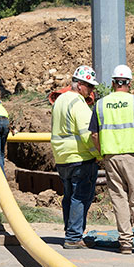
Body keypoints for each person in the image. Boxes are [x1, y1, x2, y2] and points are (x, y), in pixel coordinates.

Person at [91, 64, 134, 255]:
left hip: (112, 157)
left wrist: (103, 153)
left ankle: (125, 243)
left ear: (113, 83)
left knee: (119, 200)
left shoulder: (100, 104)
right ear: (129, 83)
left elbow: (94, 136)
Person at [52, 66, 102, 249]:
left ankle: (71, 232)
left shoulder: (60, 100)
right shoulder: (78, 103)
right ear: (80, 85)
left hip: (62, 157)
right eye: (90, 87)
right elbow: (88, 134)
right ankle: (73, 237)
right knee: (81, 197)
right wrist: (98, 154)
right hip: (80, 158)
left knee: (69, 197)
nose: (91, 91)